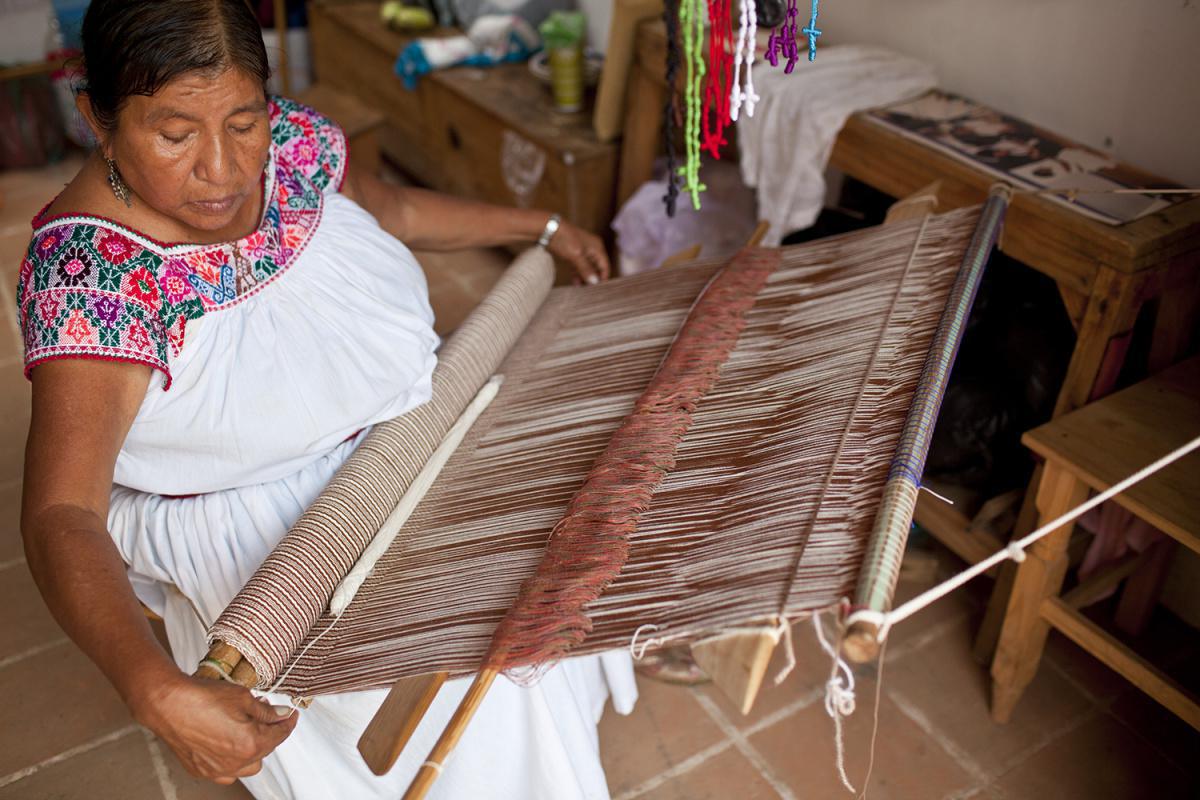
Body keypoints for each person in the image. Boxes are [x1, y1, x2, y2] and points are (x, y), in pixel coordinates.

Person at [16, 1, 636, 797]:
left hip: (410, 446)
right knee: (478, 698)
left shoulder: (291, 144)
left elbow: (397, 207)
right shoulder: (92, 281)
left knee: (546, 588)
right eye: (174, 135)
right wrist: (150, 683)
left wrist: (538, 226)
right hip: (287, 551)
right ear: (97, 119)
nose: (224, 169)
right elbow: (61, 514)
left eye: (244, 123)